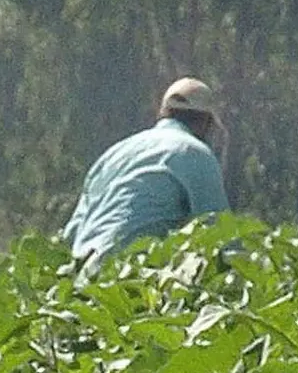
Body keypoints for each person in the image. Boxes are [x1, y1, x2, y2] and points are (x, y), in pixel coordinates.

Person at [60, 77, 229, 265]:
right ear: (206, 122)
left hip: (83, 275)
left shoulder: (114, 154)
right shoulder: (197, 154)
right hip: (132, 274)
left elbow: (72, 234)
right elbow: (220, 237)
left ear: (164, 113)